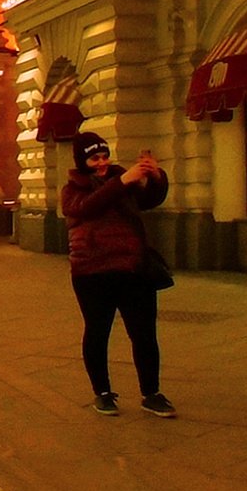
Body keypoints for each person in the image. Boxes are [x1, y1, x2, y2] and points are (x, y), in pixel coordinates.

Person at [60, 131, 175, 419]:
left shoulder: (122, 179)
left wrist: (155, 176)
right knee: (98, 332)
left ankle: (151, 393)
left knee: (144, 334)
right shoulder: (73, 188)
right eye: (94, 158)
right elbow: (88, 207)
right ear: (82, 161)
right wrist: (122, 181)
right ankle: (102, 393)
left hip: (133, 268)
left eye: (104, 156)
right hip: (92, 271)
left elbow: (147, 200)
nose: (101, 163)